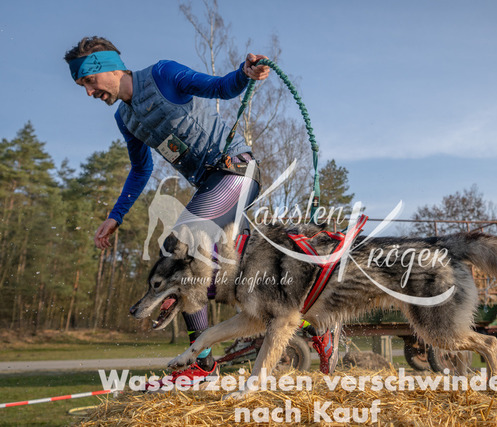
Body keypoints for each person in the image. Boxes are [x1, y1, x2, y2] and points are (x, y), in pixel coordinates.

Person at [64, 36, 340, 381]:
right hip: (211, 185)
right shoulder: (125, 118)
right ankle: (319, 327)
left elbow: (219, 88)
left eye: (89, 81)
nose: (89, 92)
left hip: (236, 171)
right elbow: (141, 169)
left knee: (180, 248)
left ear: (111, 68)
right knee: (240, 274)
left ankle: (202, 364)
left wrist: (244, 73)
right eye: (82, 86)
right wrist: (115, 216)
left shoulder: (162, 75)